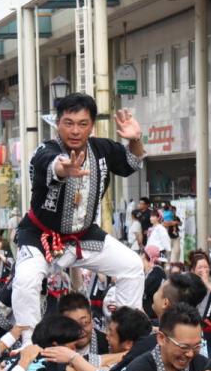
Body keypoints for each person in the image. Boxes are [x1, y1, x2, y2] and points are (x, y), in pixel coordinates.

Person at [13, 93, 145, 342]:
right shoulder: (45, 150)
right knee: (26, 280)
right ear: (57, 124)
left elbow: (132, 163)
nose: (75, 130)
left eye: (83, 124)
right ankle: (30, 347)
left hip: (84, 236)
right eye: (69, 123)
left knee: (132, 266)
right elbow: (51, 164)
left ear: (91, 126)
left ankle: (128, 336)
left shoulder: (102, 149)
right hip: (42, 237)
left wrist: (136, 139)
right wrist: (64, 169)